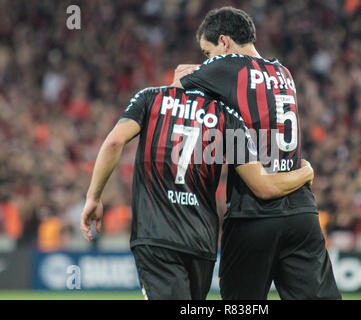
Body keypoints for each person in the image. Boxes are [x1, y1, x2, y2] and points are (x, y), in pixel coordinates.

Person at [80, 85, 315, 300]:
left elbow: (113, 143)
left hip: (157, 235)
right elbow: (263, 186)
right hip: (201, 242)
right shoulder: (227, 116)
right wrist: (305, 172)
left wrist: (94, 196)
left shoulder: (152, 97)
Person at [173, 7, 341, 300]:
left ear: (224, 42)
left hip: (253, 214)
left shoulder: (227, 67)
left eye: (207, 52)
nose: (206, 60)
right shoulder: (284, 72)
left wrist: (186, 72)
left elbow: (173, 94)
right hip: (301, 212)